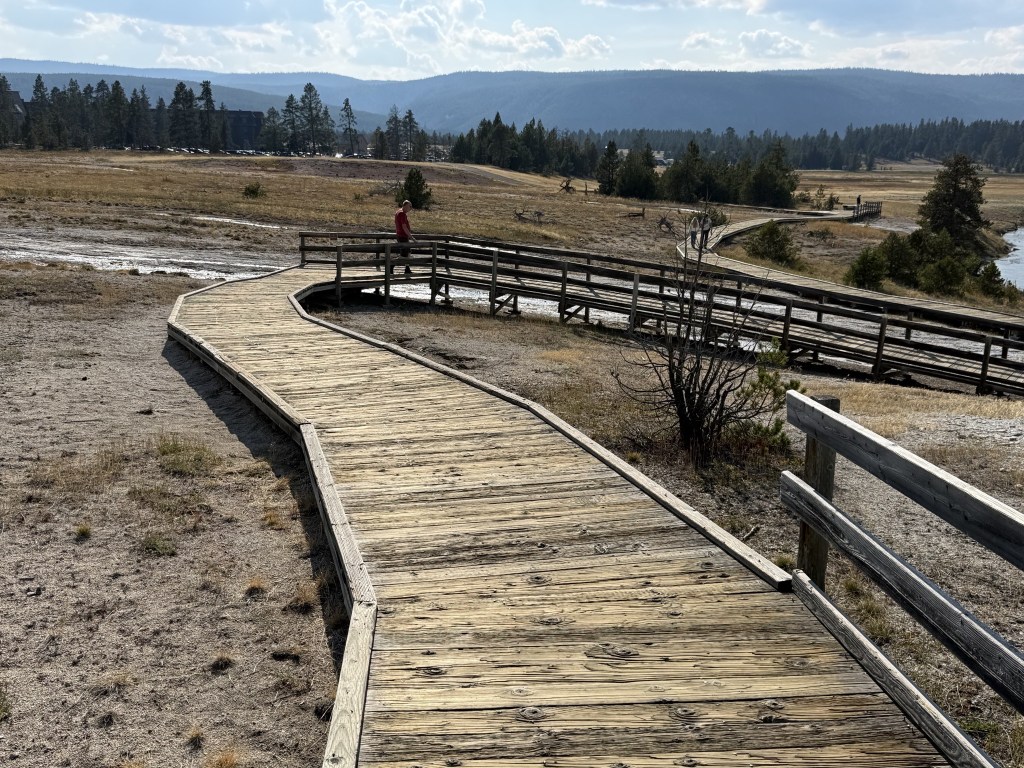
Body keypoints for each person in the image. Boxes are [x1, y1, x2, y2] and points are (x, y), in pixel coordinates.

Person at [393, 199, 416, 275]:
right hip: (402, 236)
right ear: (405, 206)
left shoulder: (399, 212)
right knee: (403, 255)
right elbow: (404, 227)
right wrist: (411, 237)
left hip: (402, 236)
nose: (410, 208)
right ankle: (392, 264)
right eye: (410, 206)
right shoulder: (401, 214)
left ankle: (407, 269)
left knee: (408, 253)